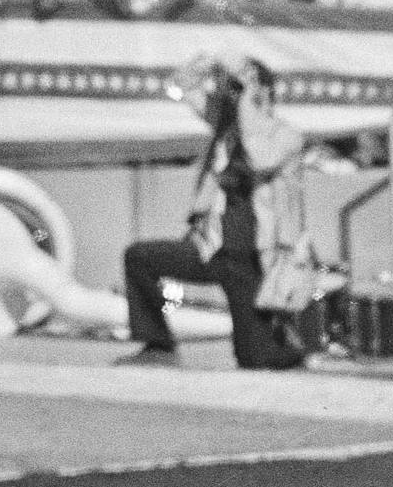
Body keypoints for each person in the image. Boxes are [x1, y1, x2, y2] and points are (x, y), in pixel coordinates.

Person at [120, 56, 308, 370]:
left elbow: (260, 157)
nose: (234, 94)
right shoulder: (227, 129)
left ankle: (286, 341)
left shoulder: (287, 136)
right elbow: (178, 87)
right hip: (210, 249)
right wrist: (206, 63)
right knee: (139, 257)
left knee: (254, 359)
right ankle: (158, 343)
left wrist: (248, 95)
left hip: (253, 259)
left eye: (242, 88)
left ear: (264, 94)